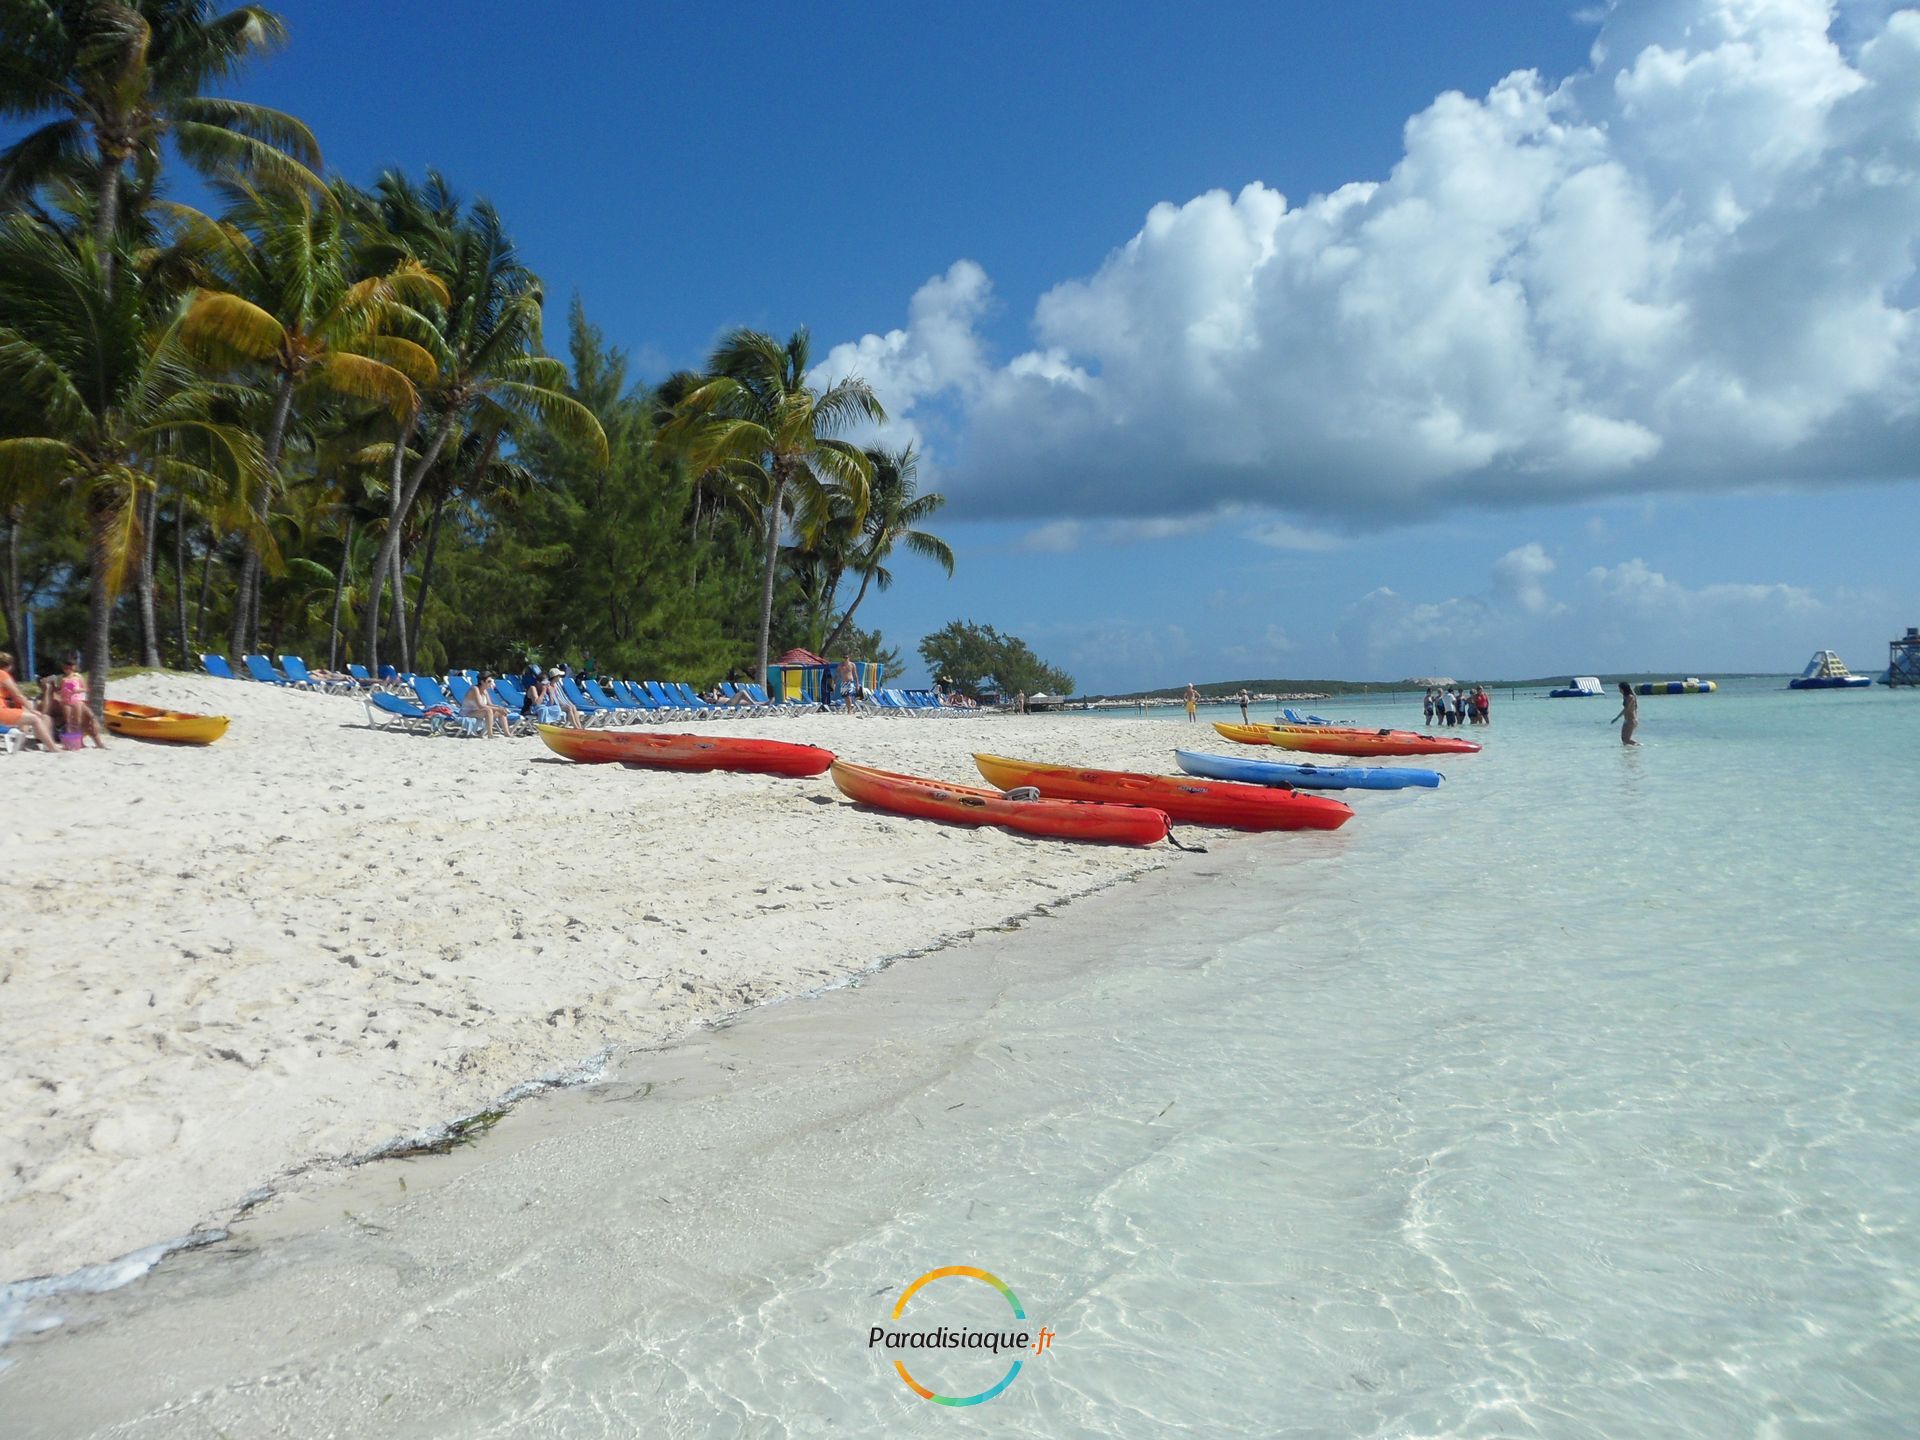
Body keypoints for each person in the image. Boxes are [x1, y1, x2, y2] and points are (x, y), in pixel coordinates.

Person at [0, 652, 63, 752]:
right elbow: (18, 695)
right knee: (35, 719)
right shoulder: (3, 674)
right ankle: (53, 748)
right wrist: (32, 710)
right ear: (9, 666)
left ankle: (43, 744)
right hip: (1, 713)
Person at [47, 652, 107, 748]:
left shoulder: (78, 677)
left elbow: (85, 688)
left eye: (69, 668)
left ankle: (82, 741)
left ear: (73, 668)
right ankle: (72, 741)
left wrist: (77, 690)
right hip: (66, 701)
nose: (67, 670)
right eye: (65, 668)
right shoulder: (63, 679)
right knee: (69, 721)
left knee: (79, 720)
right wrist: (56, 690)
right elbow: (60, 691)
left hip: (77, 701)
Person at [461, 671, 511, 737]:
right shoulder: (475, 689)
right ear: (482, 682)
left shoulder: (485, 690)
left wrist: (500, 708)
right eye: (489, 681)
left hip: (478, 712)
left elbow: (490, 704)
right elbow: (481, 705)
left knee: (500, 712)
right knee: (488, 710)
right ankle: (490, 734)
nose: (491, 683)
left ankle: (507, 733)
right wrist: (497, 708)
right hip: (467, 713)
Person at [1611, 681, 1640, 746]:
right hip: (1626, 720)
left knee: (1627, 740)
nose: (1619, 691)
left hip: (1631, 720)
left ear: (1624, 689)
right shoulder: (1625, 697)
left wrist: (1617, 718)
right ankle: (1627, 754)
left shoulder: (1630, 697)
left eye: (1620, 689)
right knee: (1624, 739)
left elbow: (1626, 709)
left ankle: (1639, 746)